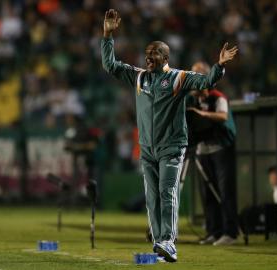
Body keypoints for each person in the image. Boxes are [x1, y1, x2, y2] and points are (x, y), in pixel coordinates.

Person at [101, 9, 237, 262]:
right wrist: (108, 35)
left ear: (165, 57)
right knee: (152, 198)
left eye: (153, 54)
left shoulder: (179, 78)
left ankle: (169, 242)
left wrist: (219, 66)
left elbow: (206, 81)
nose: (148, 58)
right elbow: (110, 65)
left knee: (167, 192)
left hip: (172, 146)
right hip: (148, 148)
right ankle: (159, 243)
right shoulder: (140, 77)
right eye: (146, 54)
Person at [187, 61, 238, 246]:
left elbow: (223, 116)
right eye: (193, 74)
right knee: (207, 193)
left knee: (225, 192)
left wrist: (202, 115)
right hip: (202, 150)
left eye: (199, 74)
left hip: (220, 149)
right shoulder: (192, 98)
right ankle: (213, 231)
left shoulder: (217, 97)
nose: (195, 78)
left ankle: (230, 232)